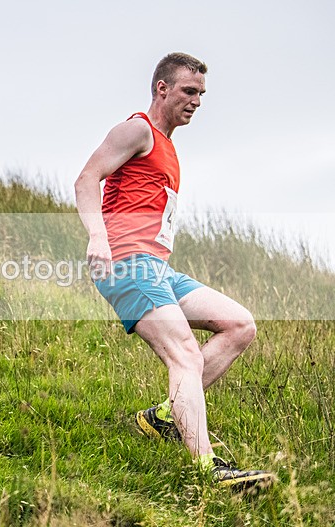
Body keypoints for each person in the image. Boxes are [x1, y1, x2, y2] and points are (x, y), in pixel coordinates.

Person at [74, 53, 276, 492]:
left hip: (158, 268)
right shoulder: (137, 130)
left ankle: (166, 416)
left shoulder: (167, 145)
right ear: (162, 88)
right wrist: (97, 237)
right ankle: (209, 470)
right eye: (189, 91)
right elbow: (86, 179)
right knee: (184, 353)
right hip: (126, 261)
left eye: (201, 94)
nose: (197, 101)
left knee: (240, 325)